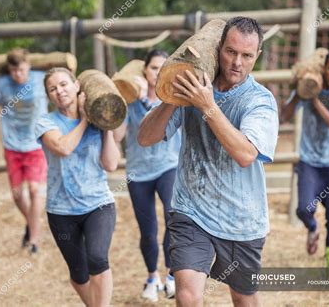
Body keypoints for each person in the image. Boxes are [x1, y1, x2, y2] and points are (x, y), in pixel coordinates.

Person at [137, 16, 279, 306]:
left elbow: (245, 154)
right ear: (218, 49)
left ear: (257, 57)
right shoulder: (195, 86)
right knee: (187, 296)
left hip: (242, 219)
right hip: (191, 210)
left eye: (247, 55)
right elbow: (145, 138)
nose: (237, 62)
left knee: (244, 299)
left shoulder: (259, 101)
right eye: (231, 52)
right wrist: (172, 95)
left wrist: (208, 106)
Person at [35, 67, 120, 306]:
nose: (59, 91)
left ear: (76, 86)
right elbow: (62, 148)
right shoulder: (46, 122)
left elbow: (111, 164)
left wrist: (105, 127)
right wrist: (84, 120)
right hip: (61, 210)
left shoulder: (97, 121)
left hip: (98, 205)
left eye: (63, 84)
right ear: (49, 96)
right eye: (53, 88)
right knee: (79, 272)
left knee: (97, 259)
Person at [114, 50, 181, 302]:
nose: (157, 72)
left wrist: (145, 101)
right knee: (148, 230)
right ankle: (152, 278)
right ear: (145, 71)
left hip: (169, 166)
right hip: (138, 172)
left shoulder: (175, 99)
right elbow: (118, 136)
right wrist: (119, 99)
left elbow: (164, 125)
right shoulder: (131, 100)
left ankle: (172, 276)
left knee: (172, 218)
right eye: (153, 68)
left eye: (163, 68)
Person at [280, 51, 329, 256]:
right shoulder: (310, 84)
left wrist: (314, 99)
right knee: (303, 209)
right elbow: (283, 117)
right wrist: (300, 92)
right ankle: (313, 228)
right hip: (309, 160)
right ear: (323, 68)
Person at [0, 48, 48, 254]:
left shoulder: (42, 80)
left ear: (29, 66)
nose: (18, 75)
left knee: (34, 189)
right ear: (9, 70)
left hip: (35, 144)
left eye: (22, 70)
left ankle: (34, 240)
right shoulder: (2, 85)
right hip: (12, 145)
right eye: (14, 71)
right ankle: (33, 223)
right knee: (17, 195)